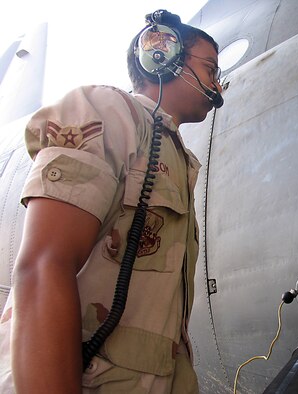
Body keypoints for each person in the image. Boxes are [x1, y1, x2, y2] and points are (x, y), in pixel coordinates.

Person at [0, 9, 222, 393]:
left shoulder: (176, 158)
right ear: (162, 56)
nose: (217, 85)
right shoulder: (109, 111)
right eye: (210, 68)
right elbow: (43, 265)